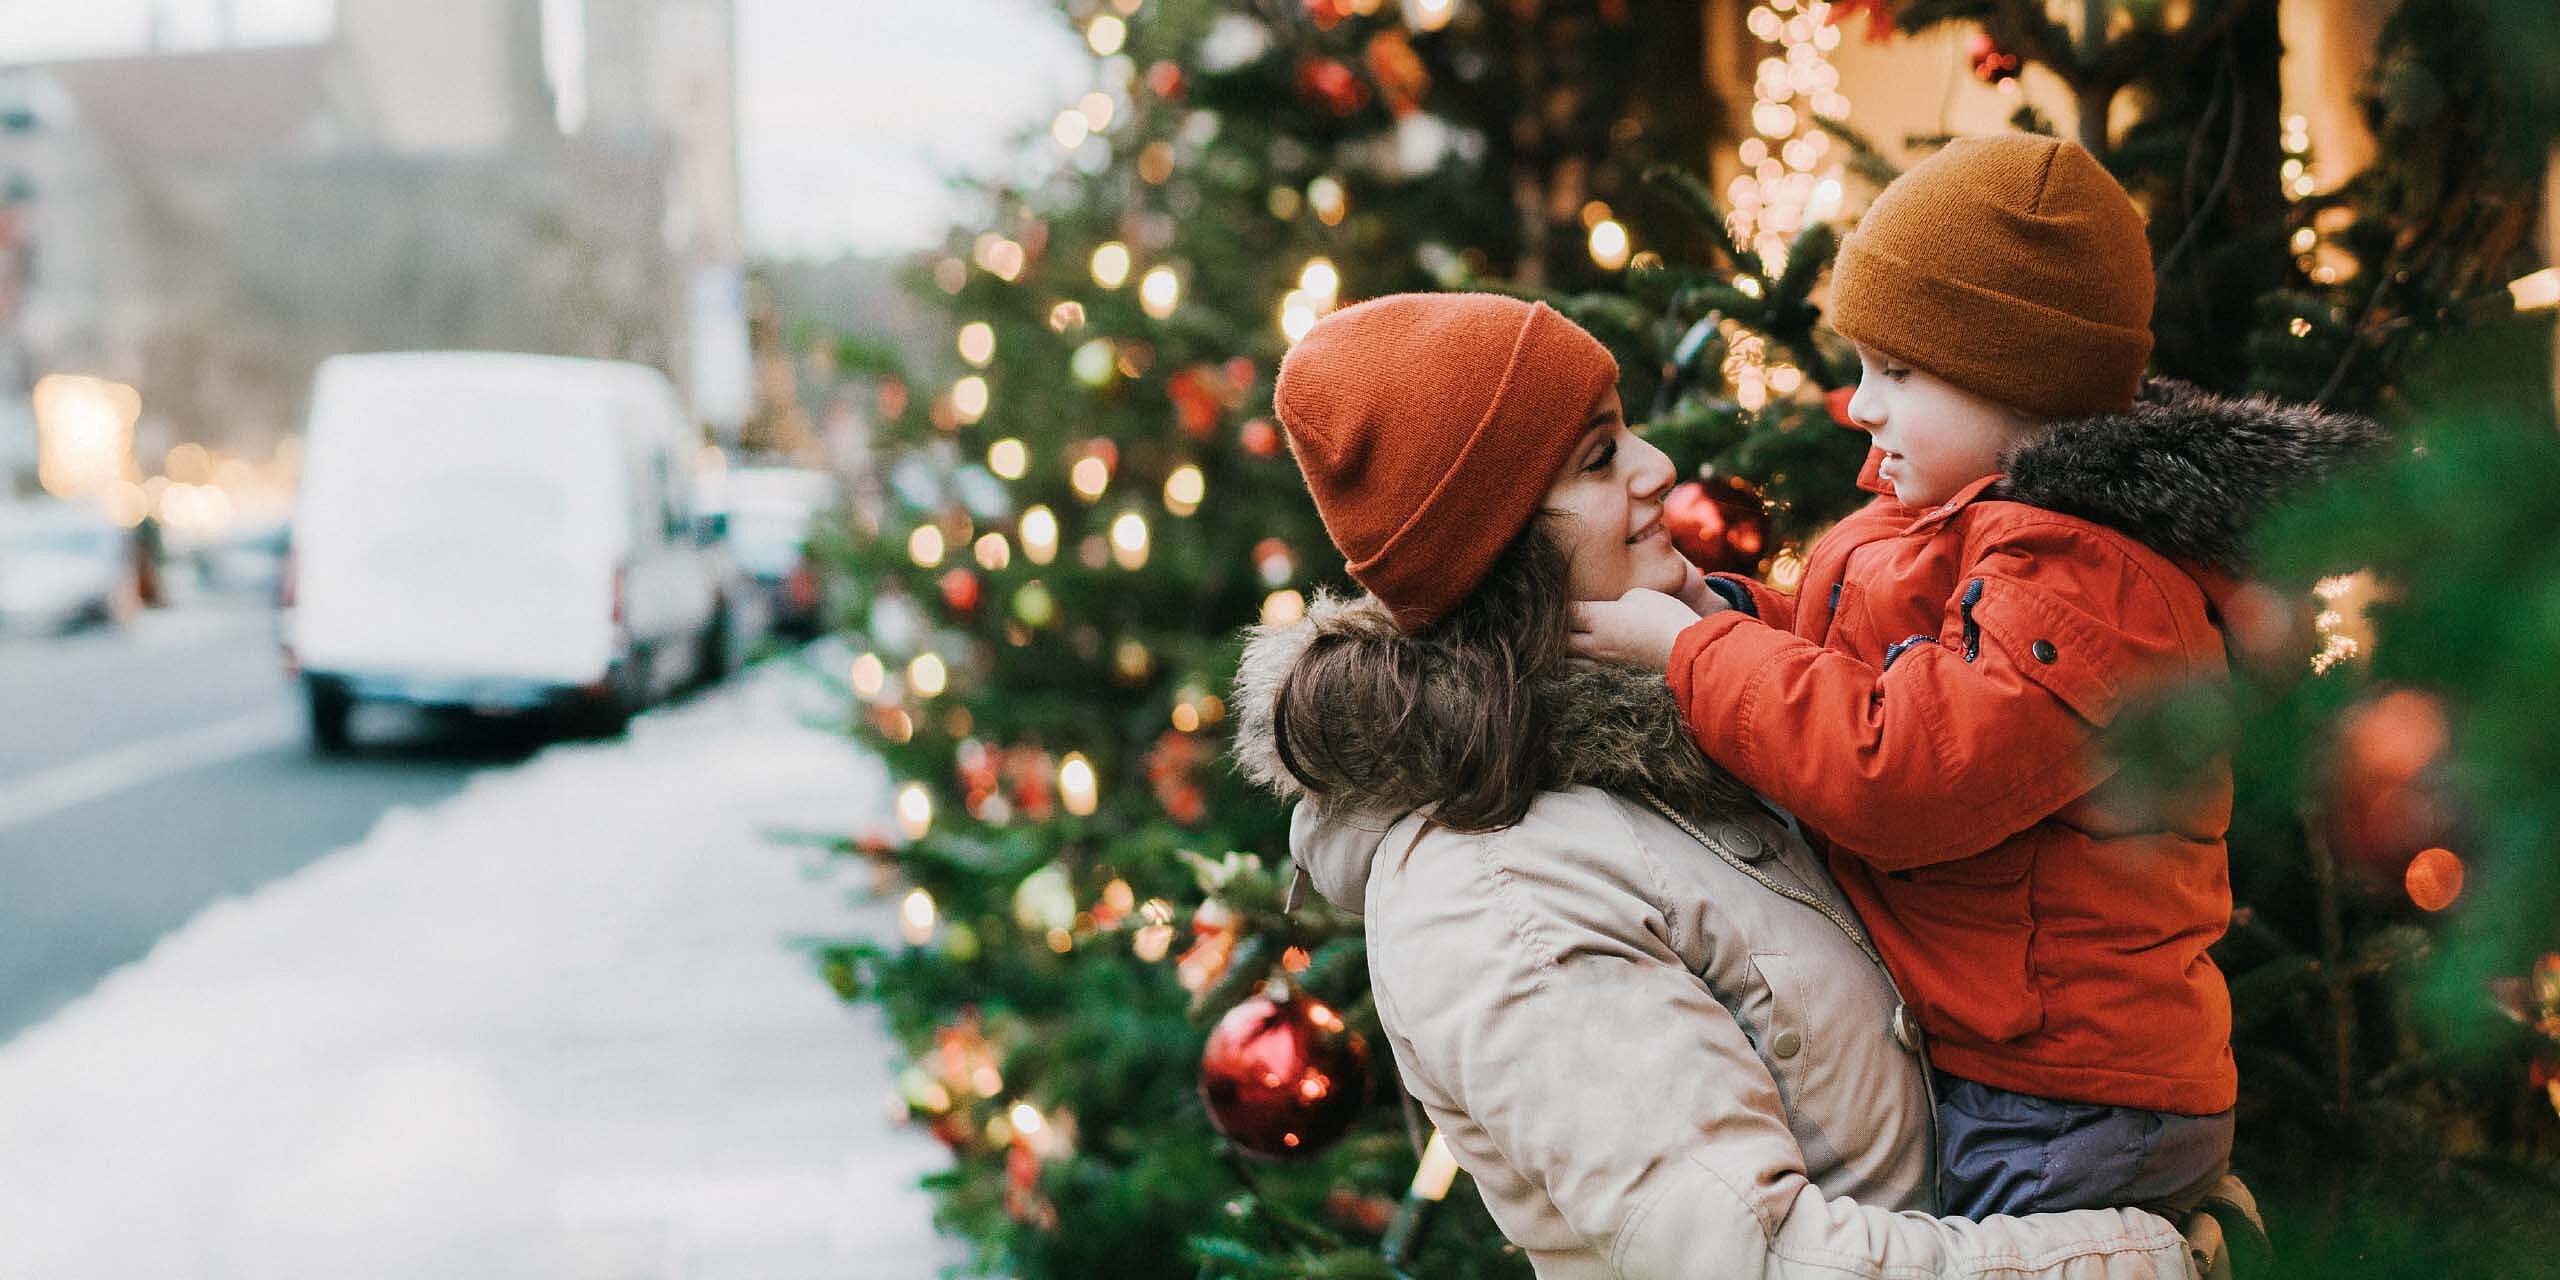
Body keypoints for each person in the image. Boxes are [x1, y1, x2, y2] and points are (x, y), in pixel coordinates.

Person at [1232, 290, 2223, 1278]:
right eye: (1598, 457)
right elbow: (1756, 1261)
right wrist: (2152, 1256)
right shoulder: (1497, 897)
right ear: (1497, 554)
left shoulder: (1691, 732)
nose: (1659, 468)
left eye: (1626, 431)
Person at [1566, 136, 2384, 1219]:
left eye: (1895, 373)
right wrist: (1719, 615)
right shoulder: (1962, 531)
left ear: (2020, 380)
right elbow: (1852, 671)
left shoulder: (2083, 579)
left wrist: (1688, 654)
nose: (1859, 404)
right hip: (2013, 1072)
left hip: (2071, 1099)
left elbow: (1905, 769)